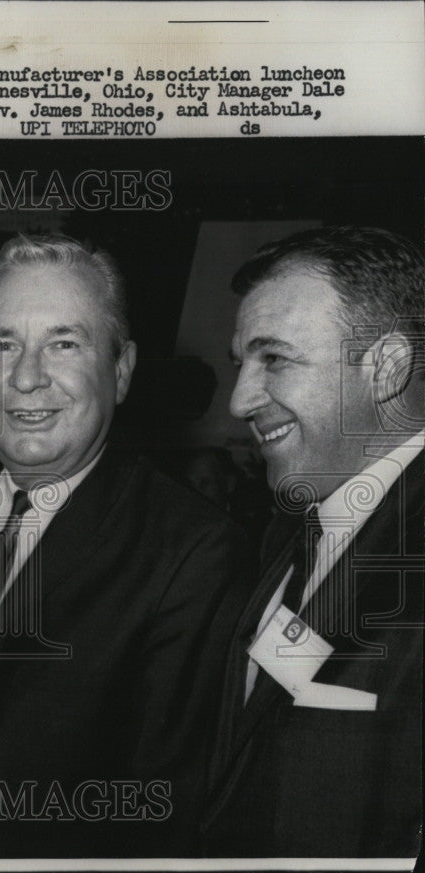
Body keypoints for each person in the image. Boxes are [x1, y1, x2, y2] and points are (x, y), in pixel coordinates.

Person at [0, 233, 250, 857]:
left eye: (64, 343)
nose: (27, 377)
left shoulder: (193, 553)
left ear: (122, 369)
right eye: (1, 344)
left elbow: (158, 819)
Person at [204, 226, 424, 857]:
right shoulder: (289, 526)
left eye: (274, 359)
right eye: (240, 364)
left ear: (386, 368)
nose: (241, 400)